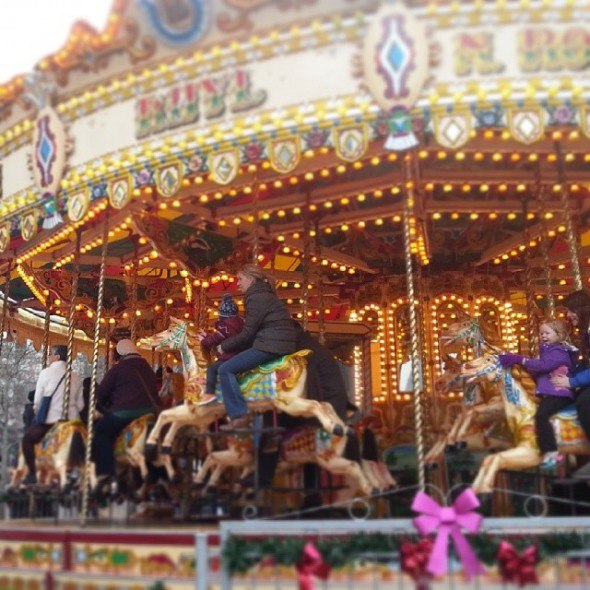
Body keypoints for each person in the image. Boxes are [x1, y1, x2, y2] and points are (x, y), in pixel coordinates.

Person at [217, 264, 297, 430]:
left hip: (271, 344)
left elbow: (248, 332)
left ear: (251, 279)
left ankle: (239, 416)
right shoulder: (263, 294)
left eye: (240, 279)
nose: (237, 283)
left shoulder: (257, 297)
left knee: (225, 369)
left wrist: (224, 346)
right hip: (278, 342)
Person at [499, 318, 576, 469]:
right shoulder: (548, 351)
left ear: (558, 335)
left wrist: (520, 359)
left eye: (547, 332)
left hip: (560, 393)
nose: (543, 335)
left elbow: (543, 366)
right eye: (541, 333)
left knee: (541, 415)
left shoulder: (559, 351)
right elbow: (538, 369)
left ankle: (552, 452)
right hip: (550, 393)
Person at [91, 339, 160, 489]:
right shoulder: (148, 368)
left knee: (100, 433)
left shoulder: (118, 369)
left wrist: (105, 404)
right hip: (149, 413)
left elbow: (102, 392)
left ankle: (107, 472)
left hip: (125, 412)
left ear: (120, 353)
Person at [21, 345, 84, 485]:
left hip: (52, 420)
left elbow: (38, 399)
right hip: (73, 421)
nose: (48, 356)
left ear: (57, 357)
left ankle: (32, 473)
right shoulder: (75, 376)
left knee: (28, 439)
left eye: (50, 353)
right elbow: (80, 405)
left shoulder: (46, 373)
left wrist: (38, 411)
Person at [550, 289, 590, 477]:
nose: (568, 315)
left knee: (584, 401)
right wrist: (568, 374)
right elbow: (586, 362)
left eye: (570, 310)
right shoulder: (585, 331)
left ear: (582, 309)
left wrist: (572, 381)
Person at [198, 294, 245, 406]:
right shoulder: (240, 323)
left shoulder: (226, 328)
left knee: (211, 369)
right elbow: (220, 337)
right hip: (241, 355)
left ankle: (210, 394)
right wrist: (208, 335)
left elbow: (213, 340)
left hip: (229, 357)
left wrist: (203, 339)